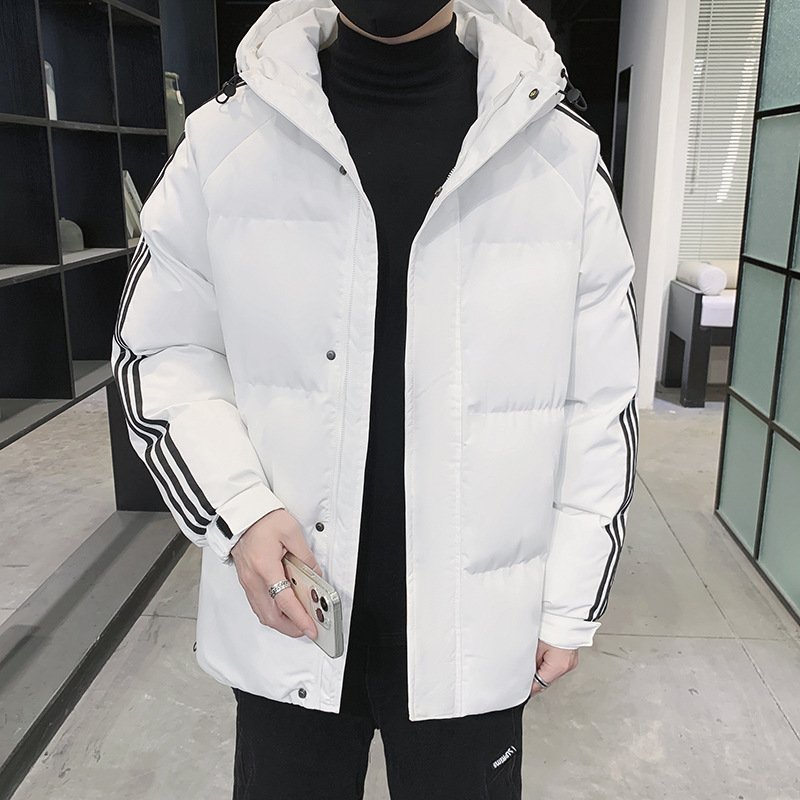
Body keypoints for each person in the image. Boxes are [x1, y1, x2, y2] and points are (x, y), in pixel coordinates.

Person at [110, 0, 639, 797]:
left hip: (478, 629)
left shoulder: (558, 153)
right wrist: (239, 509)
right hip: (290, 610)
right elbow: (159, 349)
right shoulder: (225, 142)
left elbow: (600, 399)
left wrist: (570, 601)